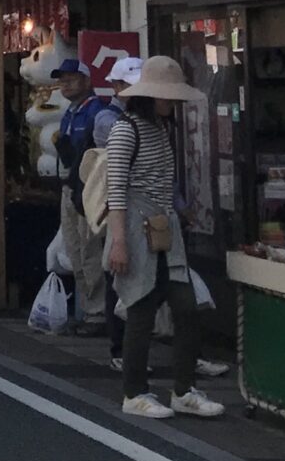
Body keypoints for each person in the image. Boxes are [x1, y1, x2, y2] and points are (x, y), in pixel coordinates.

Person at [103, 56, 225, 421]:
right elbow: (116, 190)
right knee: (140, 312)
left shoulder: (158, 128)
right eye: (165, 96)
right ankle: (134, 392)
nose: (171, 102)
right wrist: (119, 241)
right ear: (149, 95)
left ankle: (183, 389)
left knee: (186, 308)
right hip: (138, 231)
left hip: (163, 229)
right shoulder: (126, 130)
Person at [48, 57, 114, 333]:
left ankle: (97, 313)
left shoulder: (97, 111)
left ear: (88, 81)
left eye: (71, 78)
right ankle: (88, 311)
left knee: (89, 249)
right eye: (62, 79)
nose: (65, 84)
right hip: (69, 187)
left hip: (89, 189)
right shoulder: (71, 111)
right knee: (75, 250)